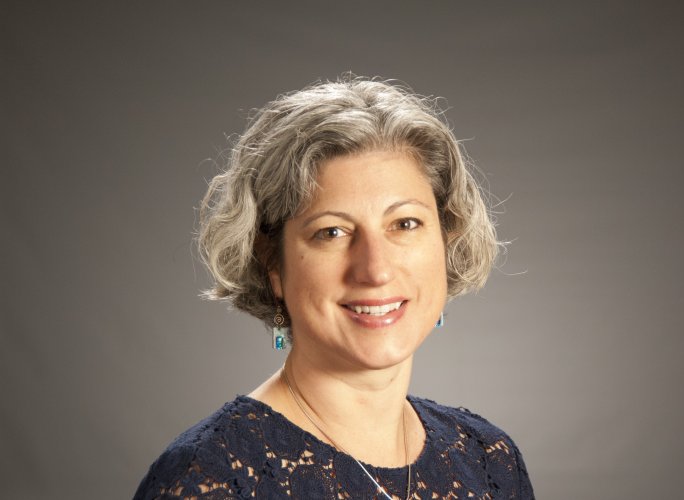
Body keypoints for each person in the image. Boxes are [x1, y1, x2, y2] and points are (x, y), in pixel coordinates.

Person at [133, 76, 534, 499]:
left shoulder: (490, 460)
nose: (375, 270)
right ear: (273, 264)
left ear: (446, 240)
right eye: (332, 232)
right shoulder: (206, 478)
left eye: (405, 223)